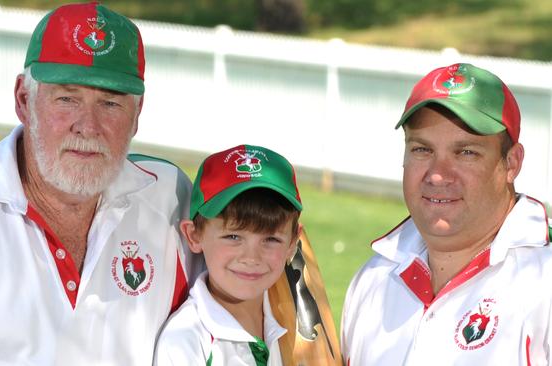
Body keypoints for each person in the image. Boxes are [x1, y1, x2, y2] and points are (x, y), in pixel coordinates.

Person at [0, 3, 202, 365]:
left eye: (110, 103)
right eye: (67, 98)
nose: (88, 126)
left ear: (137, 115)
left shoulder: (170, 197)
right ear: (24, 100)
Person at [340, 63, 552, 365]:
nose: (438, 175)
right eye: (422, 150)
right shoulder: (373, 280)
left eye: (466, 152)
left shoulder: (544, 278)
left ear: (512, 163)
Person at [153, 144, 304, 365]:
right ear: (194, 236)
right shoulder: (186, 340)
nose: (251, 258)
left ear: (292, 242)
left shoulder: (293, 322)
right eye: (233, 237)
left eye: (271, 239)